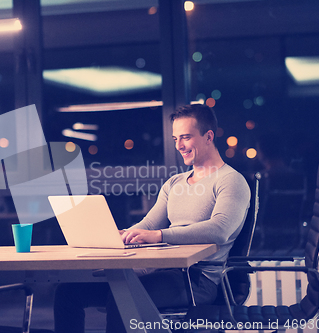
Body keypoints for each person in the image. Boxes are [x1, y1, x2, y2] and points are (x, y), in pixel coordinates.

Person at [53, 104, 251, 333]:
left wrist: (159, 236)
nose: (179, 145)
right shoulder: (174, 183)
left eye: (186, 137)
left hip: (198, 280)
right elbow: (148, 225)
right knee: (67, 292)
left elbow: (220, 230)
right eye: (176, 138)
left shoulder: (231, 180)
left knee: (122, 298)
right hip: (161, 271)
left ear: (208, 136)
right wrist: (121, 234)